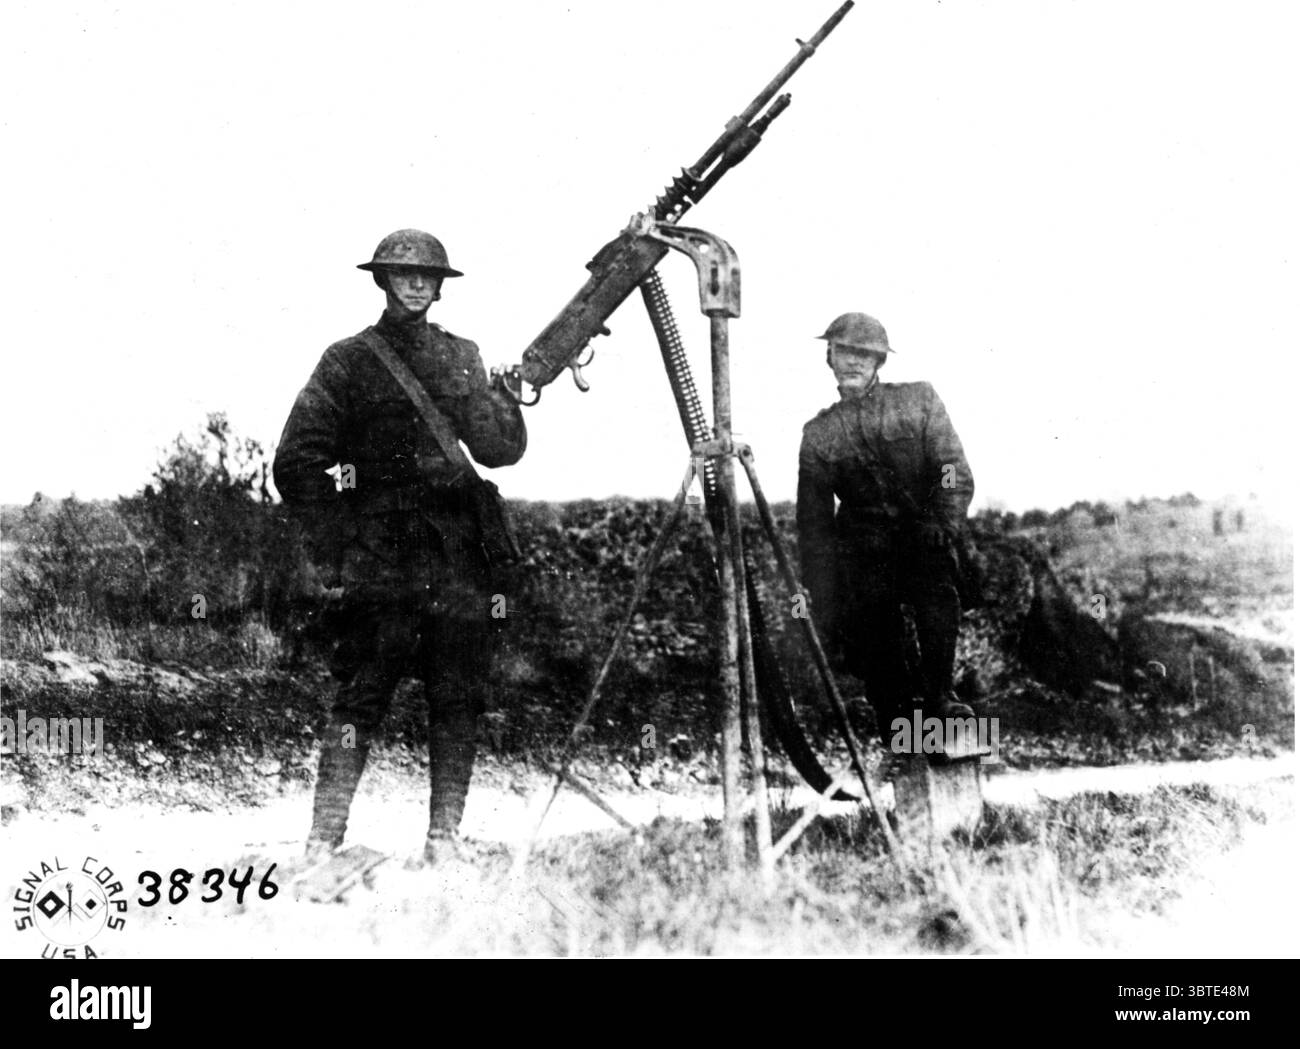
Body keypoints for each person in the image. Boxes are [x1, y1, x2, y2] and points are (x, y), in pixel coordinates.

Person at [273, 229, 527, 865]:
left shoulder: (463, 356)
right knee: (363, 691)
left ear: (441, 285)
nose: (415, 284)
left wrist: (509, 399)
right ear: (382, 280)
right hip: (383, 557)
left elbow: (499, 451)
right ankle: (322, 841)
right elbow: (297, 460)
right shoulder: (349, 361)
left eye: (426, 276)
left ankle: (444, 840)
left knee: (457, 692)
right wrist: (340, 537)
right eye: (402, 274)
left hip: (459, 555)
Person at [796, 312, 975, 746]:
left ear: (879, 361)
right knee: (876, 641)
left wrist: (943, 520)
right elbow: (814, 522)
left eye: (864, 354)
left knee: (936, 595)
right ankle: (903, 735)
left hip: (923, 539)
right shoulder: (820, 433)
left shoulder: (918, 401)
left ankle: (940, 694)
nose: (853, 362)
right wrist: (820, 590)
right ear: (829, 358)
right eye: (843, 352)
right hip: (864, 551)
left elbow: (951, 471)